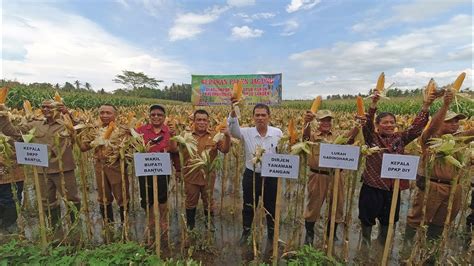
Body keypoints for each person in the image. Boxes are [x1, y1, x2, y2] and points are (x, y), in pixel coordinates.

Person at [358, 91, 436, 246]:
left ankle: (381, 245)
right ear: (377, 125)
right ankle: (366, 245)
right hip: (372, 186)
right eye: (385, 122)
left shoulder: (400, 138)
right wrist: (373, 105)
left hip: (392, 188)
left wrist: (426, 106)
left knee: (388, 220)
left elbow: (416, 128)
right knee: (367, 218)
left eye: (392, 122)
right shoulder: (371, 137)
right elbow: (366, 124)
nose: (389, 125)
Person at [2, 99, 81, 234]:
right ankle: (55, 230)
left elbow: (82, 127)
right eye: (43, 107)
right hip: (42, 170)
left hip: (64, 169)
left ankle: (76, 229)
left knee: (71, 199)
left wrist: (68, 113)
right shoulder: (35, 124)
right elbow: (13, 132)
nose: (45, 110)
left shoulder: (66, 123)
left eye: (49, 107)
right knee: (46, 202)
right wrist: (2, 115)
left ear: (57, 108)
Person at [406, 89, 473, 240]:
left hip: (454, 188)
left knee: (441, 223)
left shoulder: (457, 139)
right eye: (450, 121)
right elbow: (432, 128)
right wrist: (445, 105)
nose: (455, 124)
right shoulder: (429, 139)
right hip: (432, 187)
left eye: (457, 121)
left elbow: (472, 132)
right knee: (417, 219)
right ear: (440, 120)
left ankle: (429, 253)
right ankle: (408, 250)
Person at [228, 101, 283, 254]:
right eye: (257, 115)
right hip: (251, 175)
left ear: (269, 117)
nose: (260, 118)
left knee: (271, 206)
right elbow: (232, 130)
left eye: (263, 115)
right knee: (248, 205)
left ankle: (272, 234)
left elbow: (284, 149)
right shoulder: (246, 132)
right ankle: (246, 232)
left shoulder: (277, 133)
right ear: (253, 117)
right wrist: (233, 112)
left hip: (271, 176)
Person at [302, 109, 361, 245]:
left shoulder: (338, 136)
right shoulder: (312, 136)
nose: (326, 122)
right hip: (318, 176)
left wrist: (358, 124)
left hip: (336, 176)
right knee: (314, 204)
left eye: (328, 120)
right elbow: (304, 138)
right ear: (317, 121)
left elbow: (350, 138)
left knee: (338, 204)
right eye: (323, 120)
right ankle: (309, 234)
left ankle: (331, 233)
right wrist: (306, 122)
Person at [169, 109, 230, 231]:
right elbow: (174, 150)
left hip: (208, 176)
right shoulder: (185, 136)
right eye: (199, 120)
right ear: (194, 121)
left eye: (204, 120)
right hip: (190, 176)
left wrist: (227, 136)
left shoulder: (214, 135)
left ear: (208, 122)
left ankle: (209, 224)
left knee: (208, 200)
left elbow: (225, 150)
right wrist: (172, 135)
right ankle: (191, 227)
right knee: (191, 201)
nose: (202, 122)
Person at [79, 104, 129, 227]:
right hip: (99, 166)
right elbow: (83, 148)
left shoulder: (123, 130)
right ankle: (108, 225)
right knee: (103, 196)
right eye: (102, 113)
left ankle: (124, 226)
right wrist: (92, 140)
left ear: (115, 115)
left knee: (122, 196)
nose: (104, 115)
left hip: (117, 166)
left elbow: (130, 150)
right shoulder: (94, 129)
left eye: (108, 113)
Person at [135, 104, 172, 244]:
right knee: (146, 197)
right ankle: (150, 221)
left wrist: (179, 169)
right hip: (144, 169)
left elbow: (174, 151)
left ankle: (162, 221)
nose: (156, 117)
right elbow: (132, 146)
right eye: (153, 115)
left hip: (163, 169)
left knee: (162, 197)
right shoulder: (140, 131)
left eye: (159, 115)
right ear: (149, 116)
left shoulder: (169, 131)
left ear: (164, 117)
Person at [0, 105, 24, 234]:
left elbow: (16, 136)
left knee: (12, 198)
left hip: (13, 169)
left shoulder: (9, 129)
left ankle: (10, 223)